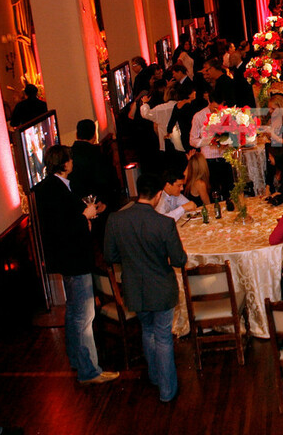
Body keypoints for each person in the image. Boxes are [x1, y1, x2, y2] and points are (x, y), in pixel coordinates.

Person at [33, 145, 118, 386]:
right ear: (64, 163)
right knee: (84, 316)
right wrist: (84, 217)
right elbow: (62, 228)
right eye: (70, 159)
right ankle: (89, 371)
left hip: (69, 260)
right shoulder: (53, 189)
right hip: (74, 260)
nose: (73, 162)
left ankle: (77, 360)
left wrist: (86, 214)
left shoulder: (51, 187)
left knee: (74, 313)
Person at [104, 173, 187, 403]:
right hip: (161, 289)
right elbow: (179, 260)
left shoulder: (115, 220)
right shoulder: (164, 223)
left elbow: (110, 256)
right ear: (158, 195)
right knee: (162, 337)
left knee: (148, 331)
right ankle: (167, 391)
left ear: (138, 192)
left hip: (134, 289)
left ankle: (155, 377)